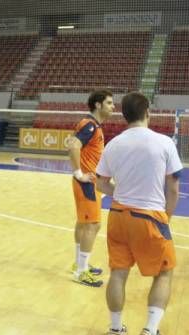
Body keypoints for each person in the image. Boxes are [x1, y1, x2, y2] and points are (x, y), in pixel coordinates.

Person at [95, 91, 182, 335]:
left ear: (124, 115)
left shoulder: (113, 144)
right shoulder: (164, 142)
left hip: (119, 215)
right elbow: (174, 188)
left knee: (118, 273)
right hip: (150, 216)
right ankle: (151, 331)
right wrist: (166, 217)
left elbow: (100, 183)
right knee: (164, 272)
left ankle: (115, 327)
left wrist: (120, 193)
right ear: (147, 112)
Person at [65, 89, 114, 287]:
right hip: (86, 183)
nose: (113, 107)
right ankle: (81, 271)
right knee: (92, 225)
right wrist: (79, 173)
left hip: (89, 182)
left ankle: (79, 263)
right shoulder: (90, 125)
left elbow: (72, 142)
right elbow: (73, 145)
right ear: (98, 105)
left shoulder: (93, 126)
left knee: (85, 224)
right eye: (109, 103)